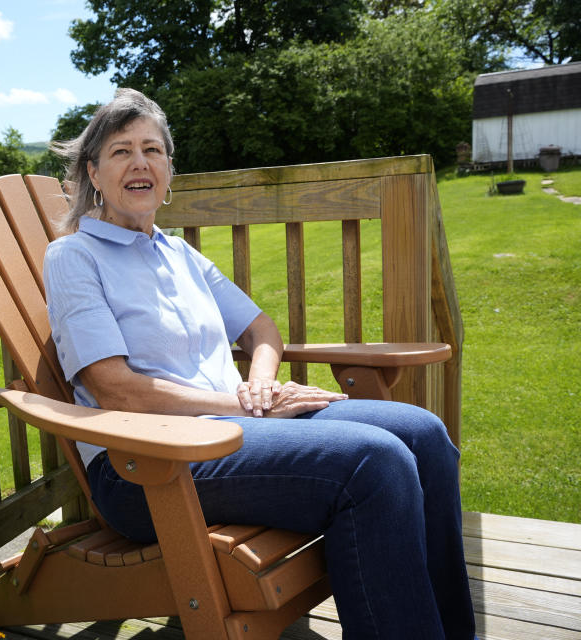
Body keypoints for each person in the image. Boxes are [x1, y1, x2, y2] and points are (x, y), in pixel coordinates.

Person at [42, 88, 477, 640]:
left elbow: (260, 328)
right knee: (376, 463)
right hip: (146, 465)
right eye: (121, 150)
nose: (140, 162)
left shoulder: (178, 253)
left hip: (238, 426)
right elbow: (117, 390)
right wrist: (248, 405)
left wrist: (261, 384)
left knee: (425, 435)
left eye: (153, 149)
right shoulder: (74, 257)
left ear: (169, 169)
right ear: (92, 174)